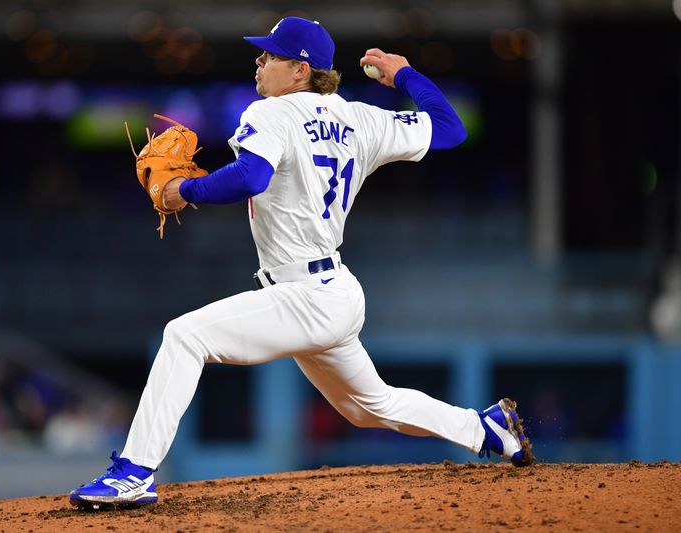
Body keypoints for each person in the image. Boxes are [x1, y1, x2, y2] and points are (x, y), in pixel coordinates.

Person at [69, 17, 533, 510]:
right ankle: (486, 429)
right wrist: (404, 75)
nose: (259, 61)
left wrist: (183, 190)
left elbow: (251, 177)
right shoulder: (361, 118)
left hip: (305, 295)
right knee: (371, 406)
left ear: (299, 70)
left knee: (185, 335)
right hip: (333, 291)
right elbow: (450, 129)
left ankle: (133, 473)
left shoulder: (272, 114)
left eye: (270, 56)